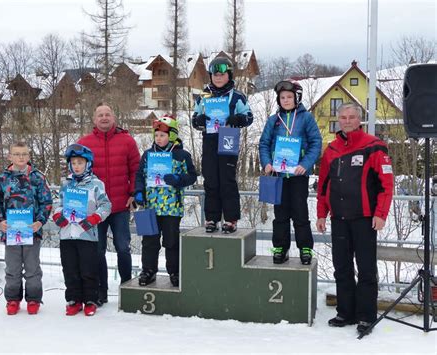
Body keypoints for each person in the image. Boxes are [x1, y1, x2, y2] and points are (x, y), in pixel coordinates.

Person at [316, 102, 393, 335]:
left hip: (365, 219)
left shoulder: (375, 147)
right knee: (342, 267)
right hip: (338, 218)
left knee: (366, 269)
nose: (347, 121)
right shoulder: (331, 150)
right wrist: (321, 214)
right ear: (338, 120)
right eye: (343, 117)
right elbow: (323, 186)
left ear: (359, 120)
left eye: (351, 117)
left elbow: (387, 185)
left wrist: (381, 214)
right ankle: (345, 312)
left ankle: (366, 316)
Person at [78, 103, 140, 306]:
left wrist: (134, 193)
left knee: (123, 248)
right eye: (100, 115)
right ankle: (100, 292)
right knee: (98, 251)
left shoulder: (127, 141)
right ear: (94, 119)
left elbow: (136, 169)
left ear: (113, 117)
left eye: (107, 114)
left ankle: (127, 288)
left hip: (120, 206)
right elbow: (77, 172)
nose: (104, 118)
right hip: (95, 209)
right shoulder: (84, 144)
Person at [258, 80, 322, 265]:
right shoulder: (273, 120)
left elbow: (316, 143)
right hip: (278, 175)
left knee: (300, 213)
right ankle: (280, 248)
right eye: (282, 97)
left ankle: (305, 249)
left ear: (297, 98)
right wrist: (267, 163)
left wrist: (306, 163)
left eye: (289, 97)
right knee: (280, 215)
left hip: (298, 175)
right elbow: (264, 143)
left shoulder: (306, 118)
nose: (285, 100)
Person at [191, 56, 253, 234]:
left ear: (229, 75)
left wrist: (237, 119)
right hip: (209, 138)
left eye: (222, 74)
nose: (218, 78)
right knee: (210, 179)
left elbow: (249, 117)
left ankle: (231, 219)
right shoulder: (204, 95)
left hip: (228, 136)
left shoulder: (237, 96)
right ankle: (211, 218)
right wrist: (200, 119)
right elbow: (195, 119)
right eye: (214, 75)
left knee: (227, 180)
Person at [0, 141, 53, 315]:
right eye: (17, 154)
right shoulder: (3, 178)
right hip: (11, 232)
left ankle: (33, 299)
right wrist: (0, 221)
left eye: (24, 154)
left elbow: (46, 203)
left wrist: (40, 222)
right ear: (10, 156)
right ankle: (12, 299)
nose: (20, 157)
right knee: (12, 268)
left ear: (29, 156)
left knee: (33, 268)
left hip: (32, 232)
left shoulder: (37, 177)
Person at [134, 115, 197, 287]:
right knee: (149, 242)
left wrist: (178, 178)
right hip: (151, 206)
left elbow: (192, 176)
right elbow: (140, 175)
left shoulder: (182, 155)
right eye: (156, 135)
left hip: (171, 207)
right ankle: (148, 270)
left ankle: (175, 272)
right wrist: (139, 191)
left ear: (172, 135)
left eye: (162, 135)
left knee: (171, 242)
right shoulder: (148, 155)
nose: (159, 138)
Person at [52, 144, 111, 316]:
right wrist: (57, 215)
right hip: (67, 234)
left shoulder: (96, 184)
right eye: (74, 163)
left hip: (87, 234)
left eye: (80, 162)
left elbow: (106, 205)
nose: (77, 166)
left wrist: (95, 218)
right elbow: (58, 204)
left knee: (88, 268)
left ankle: (90, 300)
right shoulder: (66, 184)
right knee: (70, 268)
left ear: (88, 164)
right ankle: (74, 300)